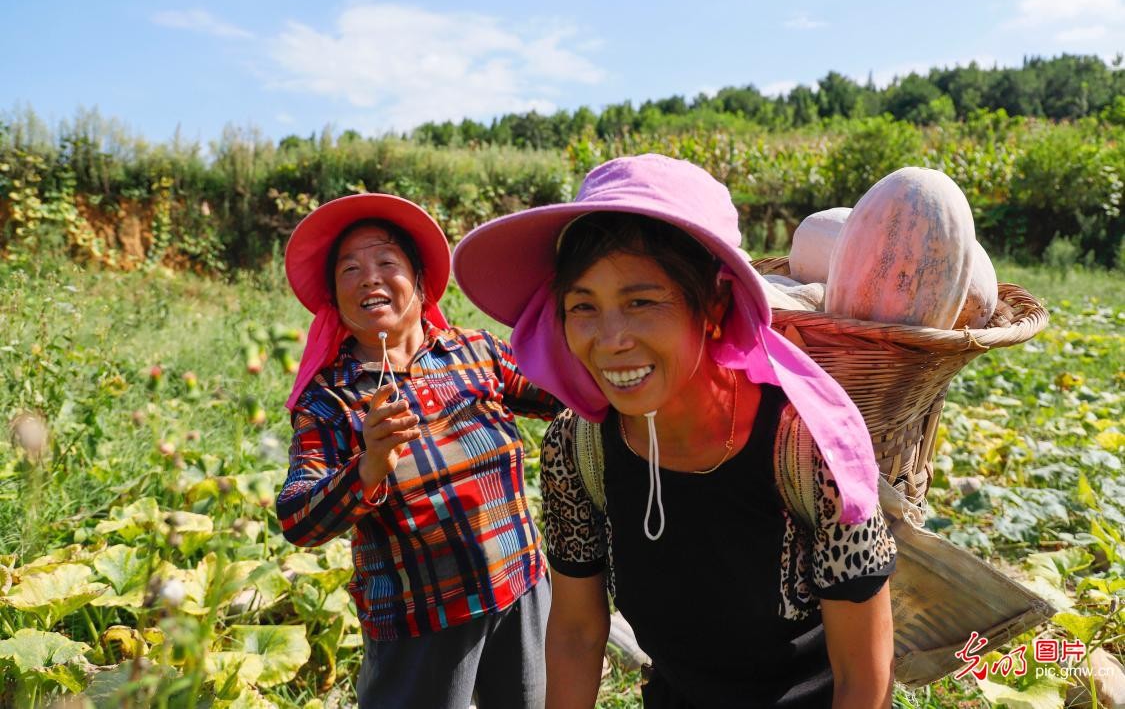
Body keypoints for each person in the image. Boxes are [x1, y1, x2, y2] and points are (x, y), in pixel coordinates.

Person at [453, 155, 897, 708]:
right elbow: (575, 633)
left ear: (713, 304)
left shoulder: (808, 449)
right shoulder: (577, 447)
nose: (610, 339)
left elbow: (863, 677)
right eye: (583, 306)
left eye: (642, 302)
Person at [275, 192, 559, 709]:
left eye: (387, 261)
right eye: (350, 269)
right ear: (335, 299)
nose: (370, 278)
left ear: (421, 283)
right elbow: (298, 518)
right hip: (418, 620)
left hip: (519, 588)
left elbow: (562, 392)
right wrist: (368, 468)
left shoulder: (475, 352)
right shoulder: (329, 399)